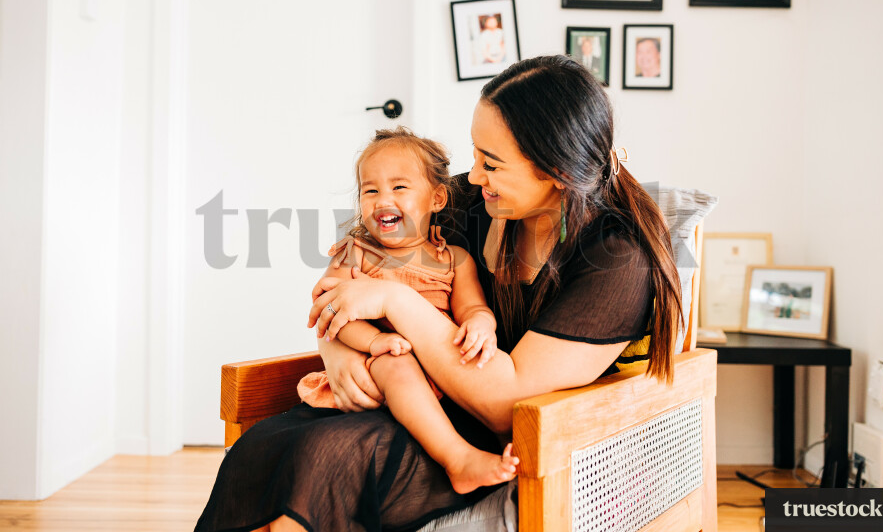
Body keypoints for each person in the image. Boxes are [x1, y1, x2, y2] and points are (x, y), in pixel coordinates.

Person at [195, 55, 683, 532]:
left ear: (556, 172)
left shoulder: (617, 260)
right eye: (475, 153)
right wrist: (340, 348)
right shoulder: (468, 202)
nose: (472, 177)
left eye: (491, 164)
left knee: (326, 458)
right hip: (411, 392)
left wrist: (393, 302)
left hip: (500, 432)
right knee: (264, 444)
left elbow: (503, 403)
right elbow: (349, 267)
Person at [296, 127, 519, 494]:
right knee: (397, 362)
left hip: (440, 370)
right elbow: (331, 314)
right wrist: (374, 343)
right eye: (371, 190)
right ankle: (458, 460)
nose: (383, 198)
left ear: (436, 198)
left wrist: (482, 323)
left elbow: (473, 306)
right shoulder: (356, 253)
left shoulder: (454, 259)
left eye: (399, 187)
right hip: (380, 366)